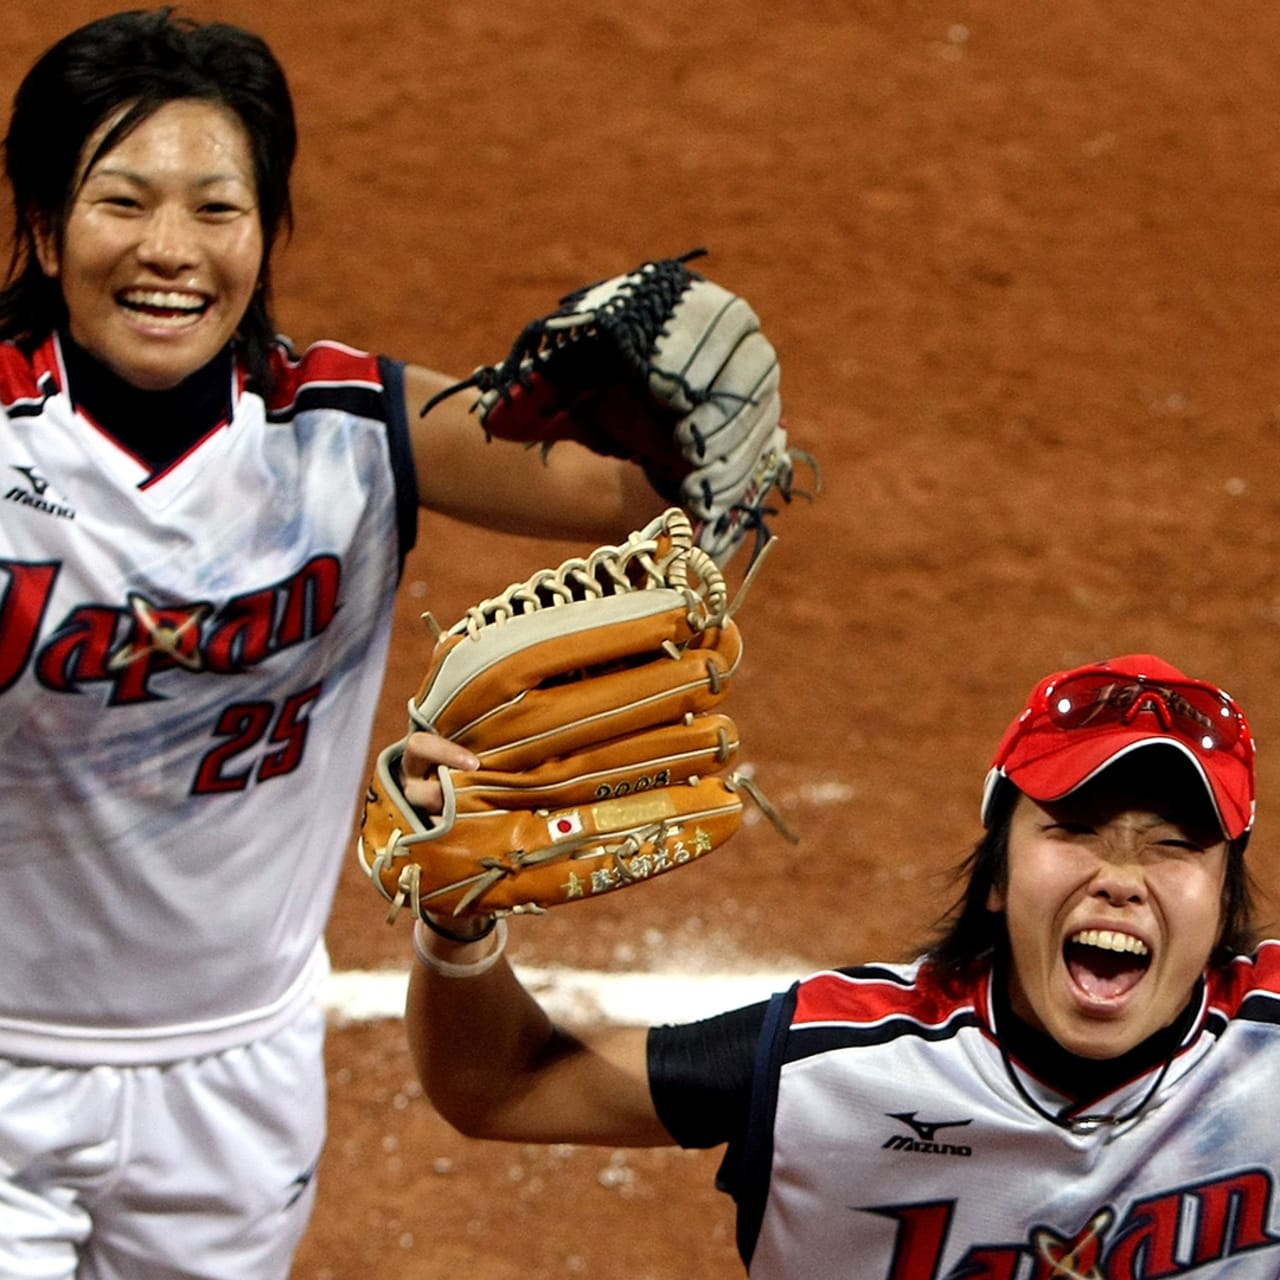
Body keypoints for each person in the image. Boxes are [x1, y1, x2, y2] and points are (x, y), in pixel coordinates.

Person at [0, 8, 705, 1278]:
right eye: (121, 203)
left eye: (217, 209)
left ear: (265, 234)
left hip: (234, 1075)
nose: (170, 250)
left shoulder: (350, 426)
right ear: (47, 230)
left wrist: (682, 411)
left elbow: (630, 496)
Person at [405, 653, 1280, 1278]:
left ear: (1223, 902)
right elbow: (501, 1086)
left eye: (1173, 847)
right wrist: (453, 921)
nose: (1120, 880)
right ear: (998, 879)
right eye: (1075, 831)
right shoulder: (835, 1071)